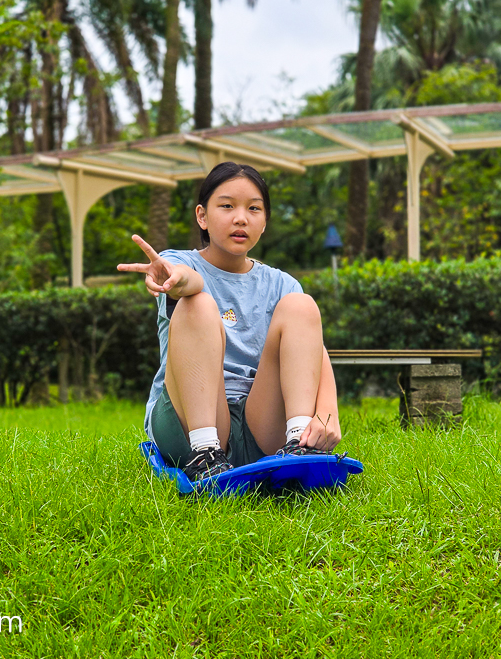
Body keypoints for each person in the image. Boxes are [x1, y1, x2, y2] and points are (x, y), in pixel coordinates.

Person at [118, 161, 342, 482]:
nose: (241, 218)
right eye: (226, 206)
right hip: (191, 422)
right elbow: (187, 281)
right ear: (202, 216)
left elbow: (315, 353)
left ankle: (298, 446)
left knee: (302, 305)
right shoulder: (181, 263)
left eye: (254, 209)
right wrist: (174, 277)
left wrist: (327, 414)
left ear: (264, 222)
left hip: (261, 424)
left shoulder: (282, 284)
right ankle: (205, 455)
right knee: (198, 302)